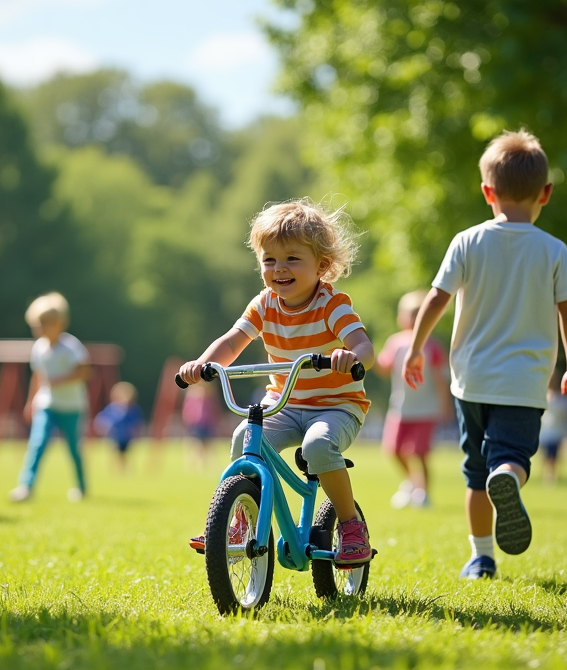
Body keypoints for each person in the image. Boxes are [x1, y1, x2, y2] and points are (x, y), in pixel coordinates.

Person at [403, 129, 567, 580]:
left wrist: (414, 349)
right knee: (512, 459)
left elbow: (435, 300)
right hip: (524, 383)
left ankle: (481, 557)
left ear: (488, 191)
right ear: (546, 192)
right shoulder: (554, 251)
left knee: (475, 472)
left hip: (471, 379)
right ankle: (510, 475)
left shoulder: (467, 241)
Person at [179, 199, 375, 566]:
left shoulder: (332, 304)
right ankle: (240, 522)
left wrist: (352, 357)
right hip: (283, 404)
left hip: (336, 406)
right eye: (269, 260)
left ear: (322, 265)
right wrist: (204, 363)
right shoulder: (265, 304)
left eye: (291, 259)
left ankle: (350, 524)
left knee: (318, 447)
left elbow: (364, 346)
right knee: (244, 437)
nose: (279, 269)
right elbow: (233, 340)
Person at [10, 292, 90, 503]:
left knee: (74, 449)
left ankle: (81, 486)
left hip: (72, 407)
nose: (42, 328)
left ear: (60, 323)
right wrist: (31, 401)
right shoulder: (39, 348)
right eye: (39, 324)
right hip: (47, 404)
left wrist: (61, 379)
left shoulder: (71, 347)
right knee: (37, 444)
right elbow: (37, 377)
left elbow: (84, 372)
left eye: (47, 323)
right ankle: (25, 486)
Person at [376, 290, 450, 508]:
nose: (413, 318)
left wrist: (444, 404)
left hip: (426, 408)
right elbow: (383, 367)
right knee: (394, 449)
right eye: (410, 313)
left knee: (421, 453)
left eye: (419, 313)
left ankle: (423, 492)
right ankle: (412, 483)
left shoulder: (432, 345)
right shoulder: (395, 342)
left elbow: (439, 378)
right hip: (400, 407)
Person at [94, 381, 145, 472]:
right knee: (115, 452)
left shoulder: (133, 409)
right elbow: (103, 419)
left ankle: (125, 469)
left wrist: (136, 431)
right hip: (115, 436)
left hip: (126, 436)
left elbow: (136, 422)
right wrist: (104, 427)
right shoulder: (112, 408)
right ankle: (115, 469)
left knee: (125, 453)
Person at [539, 369, 567, 485]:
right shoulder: (545, 396)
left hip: (555, 432)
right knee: (547, 456)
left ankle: (551, 476)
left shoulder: (559, 397)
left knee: (553, 456)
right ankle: (549, 476)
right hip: (545, 432)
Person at [181, 381, 220, 469]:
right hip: (196, 422)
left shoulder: (208, 398)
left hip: (206, 422)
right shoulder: (192, 396)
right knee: (196, 444)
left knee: (207, 444)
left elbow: (212, 410)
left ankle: (205, 463)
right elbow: (188, 410)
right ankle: (194, 464)